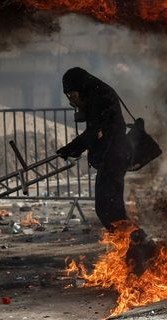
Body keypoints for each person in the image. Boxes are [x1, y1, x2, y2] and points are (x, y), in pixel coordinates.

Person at [57, 67, 156, 273]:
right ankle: (137, 250)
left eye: (71, 94)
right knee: (108, 209)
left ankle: (141, 250)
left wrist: (72, 148)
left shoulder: (100, 96)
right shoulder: (96, 93)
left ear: (79, 86)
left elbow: (95, 131)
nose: (71, 100)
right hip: (112, 157)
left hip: (115, 157)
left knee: (110, 209)